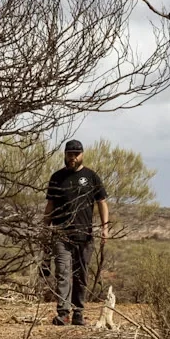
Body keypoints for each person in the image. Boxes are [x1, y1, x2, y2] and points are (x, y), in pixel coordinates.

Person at [44, 138, 108, 325]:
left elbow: (102, 202)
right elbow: (50, 205)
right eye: (69, 154)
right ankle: (63, 313)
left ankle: (78, 312)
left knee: (81, 275)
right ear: (65, 154)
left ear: (82, 155)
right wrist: (44, 228)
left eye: (76, 154)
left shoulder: (91, 177)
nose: (73, 157)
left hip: (84, 236)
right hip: (61, 234)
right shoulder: (56, 177)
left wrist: (105, 228)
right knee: (63, 274)